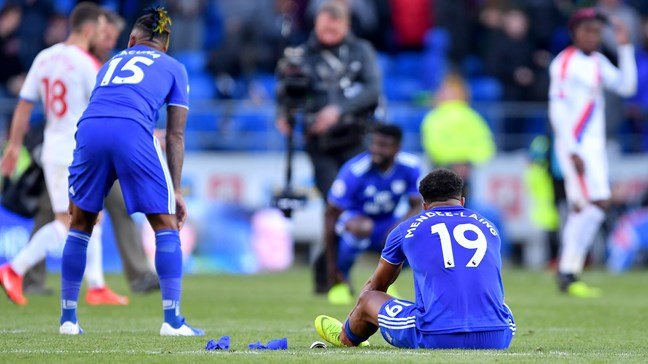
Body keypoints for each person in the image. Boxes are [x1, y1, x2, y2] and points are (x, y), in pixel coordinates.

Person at [57, 7, 202, 336]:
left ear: (132, 39)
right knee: (165, 224)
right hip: (133, 130)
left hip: (89, 129)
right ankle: (173, 321)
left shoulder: (109, 63)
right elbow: (176, 135)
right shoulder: (174, 67)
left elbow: (102, 104)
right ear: (164, 45)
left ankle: (67, 320)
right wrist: (175, 190)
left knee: (79, 223)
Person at [21, 8, 160, 297]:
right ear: (92, 30)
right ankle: (24, 275)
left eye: (111, 38)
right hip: (79, 148)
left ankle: (129, 278)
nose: (109, 42)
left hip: (86, 149)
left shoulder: (81, 60)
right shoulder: (85, 63)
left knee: (114, 207)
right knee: (57, 213)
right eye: (105, 35)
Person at [0, 2, 127, 306]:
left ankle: (96, 286)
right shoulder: (87, 64)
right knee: (66, 222)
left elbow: (24, 105)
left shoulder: (45, 57)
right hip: (72, 150)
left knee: (92, 216)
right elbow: (107, 107)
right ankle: (13, 269)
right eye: (99, 29)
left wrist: (14, 146)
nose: (102, 34)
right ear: (87, 29)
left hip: (56, 146)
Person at [314, 168, 516, 349]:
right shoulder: (488, 226)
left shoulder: (406, 229)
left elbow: (377, 287)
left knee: (369, 299)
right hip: (499, 335)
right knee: (498, 304)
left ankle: (347, 335)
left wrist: (359, 315)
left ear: (424, 205)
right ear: (462, 201)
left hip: (439, 335)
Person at [276, 0, 381, 294]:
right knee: (335, 206)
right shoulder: (298, 55)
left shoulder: (361, 51)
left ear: (346, 26)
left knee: (357, 208)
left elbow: (373, 91)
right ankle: (332, 277)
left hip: (356, 140)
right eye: (325, 29)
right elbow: (284, 92)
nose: (330, 35)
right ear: (315, 25)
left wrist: (338, 110)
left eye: (335, 30)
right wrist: (283, 116)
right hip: (319, 144)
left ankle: (331, 273)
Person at [549, 7, 637, 297]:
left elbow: (626, 86)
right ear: (574, 32)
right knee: (594, 203)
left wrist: (624, 47)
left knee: (589, 208)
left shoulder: (598, 62)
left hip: (594, 147)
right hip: (576, 145)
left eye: (597, 31)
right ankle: (568, 270)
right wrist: (572, 149)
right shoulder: (564, 63)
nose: (593, 36)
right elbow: (557, 108)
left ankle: (568, 270)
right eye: (587, 30)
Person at [325, 124, 421, 305]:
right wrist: (332, 269)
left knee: (413, 236)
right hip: (356, 221)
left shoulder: (410, 166)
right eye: (375, 144)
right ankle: (341, 282)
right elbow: (330, 214)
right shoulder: (354, 170)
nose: (376, 150)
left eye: (384, 146)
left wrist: (398, 227)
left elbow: (417, 205)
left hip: (386, 222)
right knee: (362, 228)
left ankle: (384, 283)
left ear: (397, 149)